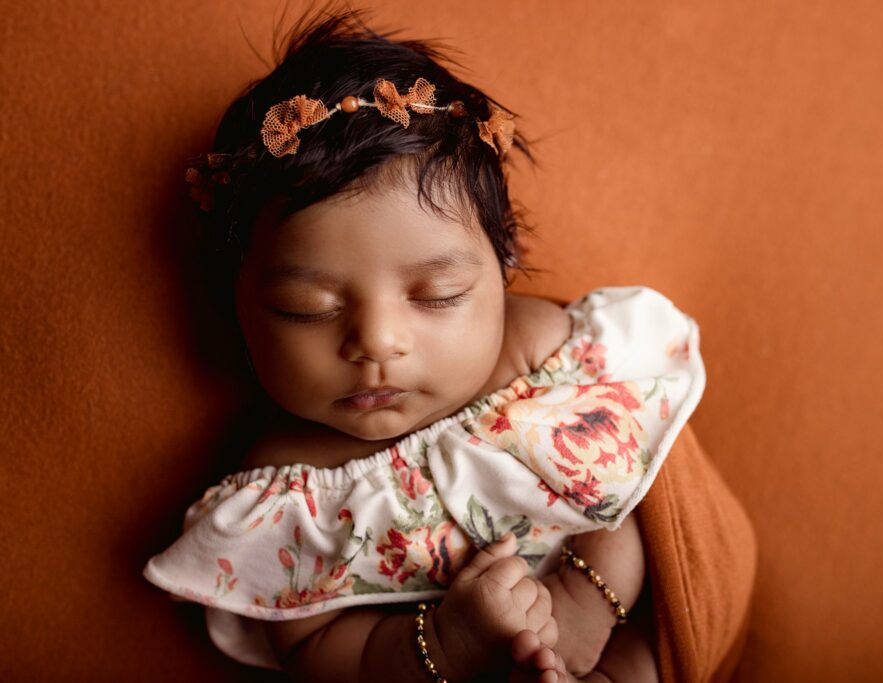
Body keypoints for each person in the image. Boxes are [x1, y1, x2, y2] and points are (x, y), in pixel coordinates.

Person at [143, 7, 706, 682]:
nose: (377, 341)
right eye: (306, 308)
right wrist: (447, 640)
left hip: (612, 624)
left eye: (437, 294)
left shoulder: (547, 355)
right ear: (237, 307)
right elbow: (316, 650)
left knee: (651, 661)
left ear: (503, 267)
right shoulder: (284, 492)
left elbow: (634, 478)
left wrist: (585, 602)